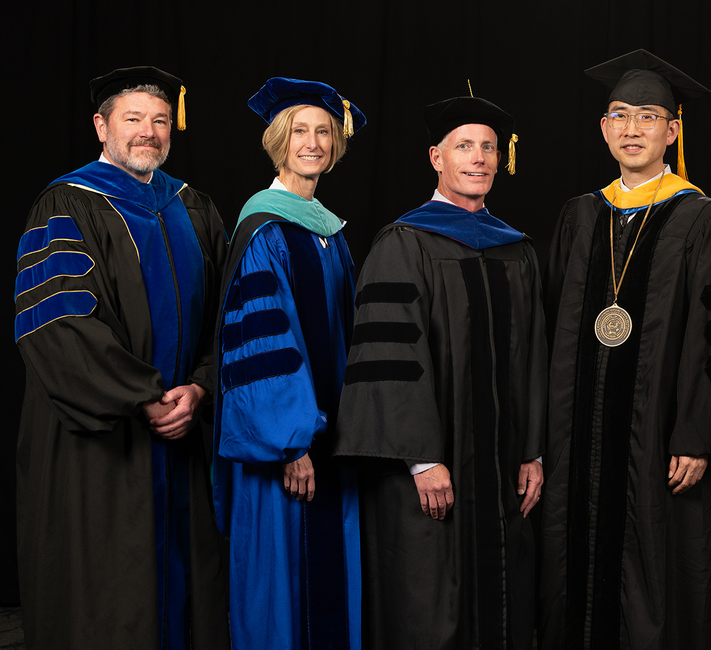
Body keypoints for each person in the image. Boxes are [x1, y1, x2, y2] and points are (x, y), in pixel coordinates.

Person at [537, 49, 711, 650]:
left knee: (656, 573)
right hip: (577, 441)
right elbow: (551, 332)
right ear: (604, 128)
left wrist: (697, 434)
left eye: (648, 116)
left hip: (663, 438)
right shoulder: (580, 215)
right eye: (619, 115)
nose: (632, 129)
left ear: (673, 130)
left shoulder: (705, 219)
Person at [13, 65, 230, 649]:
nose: (149, 133)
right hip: (105, 444)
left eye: (160, 121)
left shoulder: (193, 206)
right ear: (101, 125)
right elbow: (58, 323)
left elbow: (225, 315)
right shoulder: (67, 203)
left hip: (184, 428)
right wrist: (143, 397)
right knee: (109, 598)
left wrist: (202, 386)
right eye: (133, 118)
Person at [332, 94, 546, 650]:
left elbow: (533, 358)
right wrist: (423, 460)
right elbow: (390, 361)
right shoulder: (404, 244)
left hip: (502, 469)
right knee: (428, 602)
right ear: (436, 157)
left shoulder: (516, 250)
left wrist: (533, 452)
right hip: (430, 470)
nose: (478, 159)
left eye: (488, 148)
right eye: (464, 147)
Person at [213, 77, 366, 650]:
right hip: (288, 447)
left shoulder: (327, 229)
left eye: (323, 132)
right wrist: (292, 442)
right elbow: (261, 342)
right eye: (299, 131)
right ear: (279, 141)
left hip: (333, 441)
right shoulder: (264, 228)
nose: (313, 143)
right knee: (282, 582)